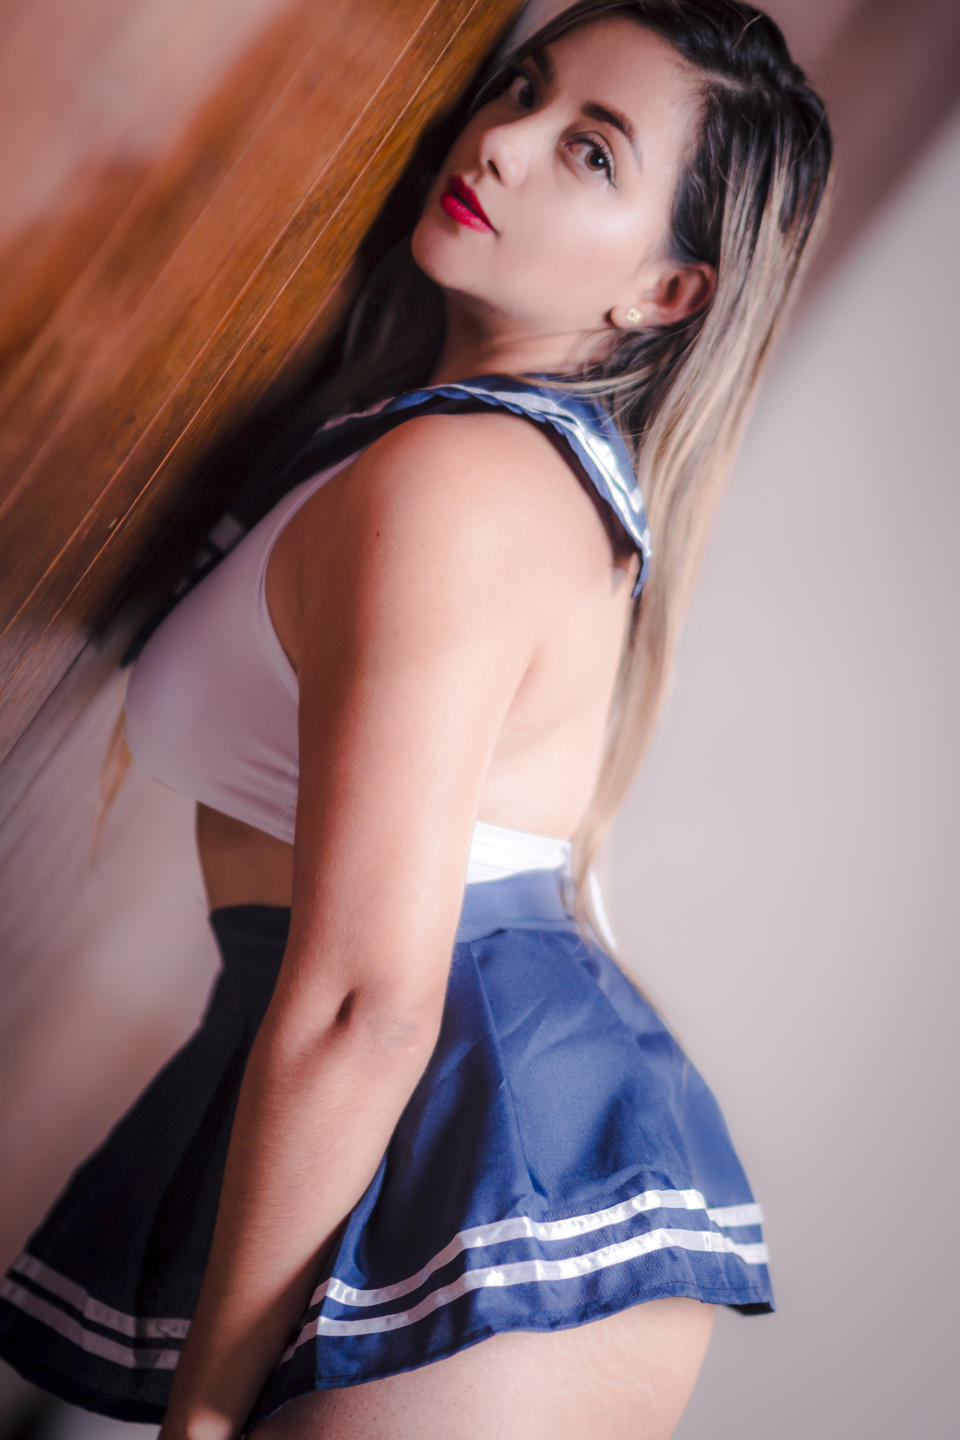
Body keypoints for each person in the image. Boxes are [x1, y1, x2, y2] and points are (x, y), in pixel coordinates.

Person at [0, 2, 833, 1436]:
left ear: (666, 291)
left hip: (476, 1140)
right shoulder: (439, 445)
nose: (501, 143)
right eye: (523, 89)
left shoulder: (462, 485)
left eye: (590, 152)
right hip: (424, 1102)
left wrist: (205, 1416)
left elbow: (367, 1007)